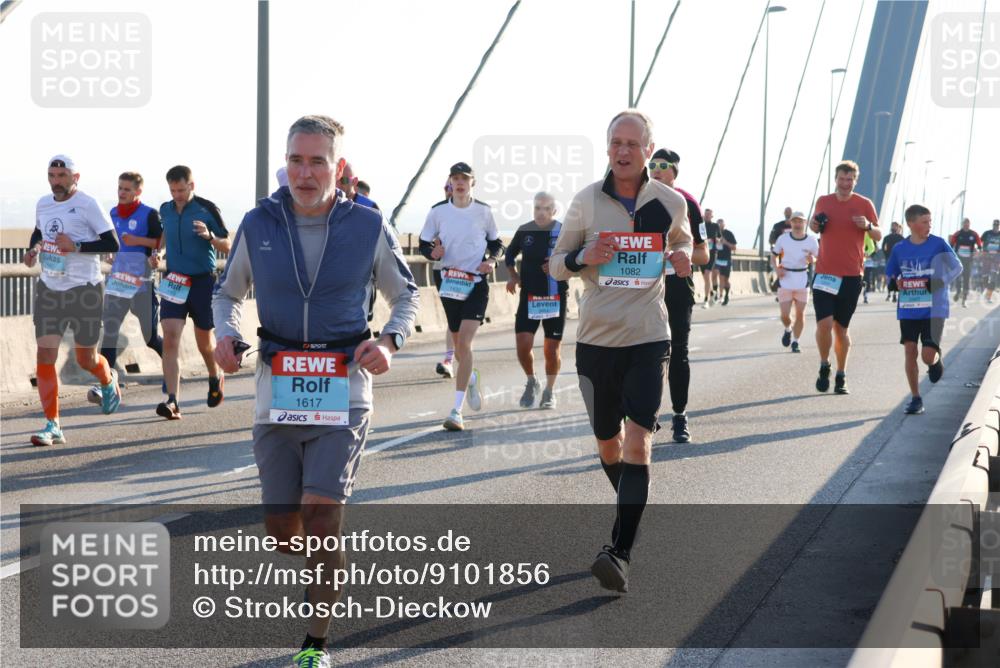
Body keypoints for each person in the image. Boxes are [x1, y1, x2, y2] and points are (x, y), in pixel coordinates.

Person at [213, 115, 418, 668]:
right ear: (286, 162)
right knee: (283, 531)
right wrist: (227, 336)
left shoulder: (368, 227)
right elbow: (226, 293)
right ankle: (328, 565)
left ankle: (315, 641)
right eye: (297, 160)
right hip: (275, 386)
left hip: (344, 387)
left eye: (318, 161)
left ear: (339, 167)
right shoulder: (257, 223)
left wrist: (391, 342)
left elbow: (407, 296)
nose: (305, 173)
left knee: (321, 513)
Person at [550, 110, 693, 593]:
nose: (624, 150)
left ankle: (621, 552)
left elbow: (691, 249)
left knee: (639, 442)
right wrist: (580, 257)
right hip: (595, 340)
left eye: (633, 143)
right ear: (607, 147)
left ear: (649, 150)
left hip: (649, 336)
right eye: (616, 142)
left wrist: (683, 258)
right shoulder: (586, 201)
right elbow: (555, 266)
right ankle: (632, 510)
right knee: (608, 444)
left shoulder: (669, 203)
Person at [24, 155, 122, 446]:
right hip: (50, 289)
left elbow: (112, 243)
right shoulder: (43, 203)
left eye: (62, 175)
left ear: (75, 178)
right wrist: (33, 249)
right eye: (52, 175)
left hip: (85, 290)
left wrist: (76, 246)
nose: (56, 181)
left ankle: (107, 380)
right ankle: (53, 424)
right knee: (45, 354)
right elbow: (39, 232)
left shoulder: (88, 204)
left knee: (85, 358)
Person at [419, 162, 503, 431]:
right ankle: (471, 378)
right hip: (448, 281)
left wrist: (491, 260)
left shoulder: (484, 211)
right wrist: (432, 253)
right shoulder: (438, 212)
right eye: (455, 178)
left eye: (464, 178)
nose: (459, 182)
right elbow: (423, 243)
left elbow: (497, 243)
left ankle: (456, 411)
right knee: (457, 344)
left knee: (464, 342)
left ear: (472, 183)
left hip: (476, 282)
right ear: (450, 182)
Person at [154, 165, 231, 419]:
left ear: (192, 186)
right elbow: (165, 233)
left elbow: (228, 245)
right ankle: (173, 401)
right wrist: (160, 252)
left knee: (204, 343)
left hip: (202, 281)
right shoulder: (165, 209)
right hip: (175, 279)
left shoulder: (207, 209)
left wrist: (209, 236)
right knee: (171, 337)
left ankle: (214, 374)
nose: (177, 195)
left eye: (181, 189)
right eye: (173, 190)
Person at [647, 148, 708, 443]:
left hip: (677, 285)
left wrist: (678, 255)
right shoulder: (636, 198)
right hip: (643, 287)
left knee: (678, 352)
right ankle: (644, 416)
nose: (656, 170)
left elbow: (703, 254)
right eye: (652, 165)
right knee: (644, 352)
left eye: (663, 166)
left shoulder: (688, 204)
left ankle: (680, 416)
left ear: (674, 172)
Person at [87, 172, 165, 403]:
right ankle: (105, 384)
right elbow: (110, 240)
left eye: (127, 189)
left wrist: (142, 244)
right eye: (120, 188)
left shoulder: (149, 214)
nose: (122, 193)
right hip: (118, 283)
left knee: (150, 338)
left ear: (137, 192)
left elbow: (162, 242)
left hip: (142, 284)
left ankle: (173, 364)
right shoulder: (111, 214)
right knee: (109, 333)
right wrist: (111, 253)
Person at [809, 160, 880, 395]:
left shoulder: (864, 204)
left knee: (841, 329)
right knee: (824, 324)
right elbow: (815, 225)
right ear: (836, 179)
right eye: (842, 178)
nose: (845, 183)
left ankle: (841, 374)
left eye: (850, 179)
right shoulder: (824, 201)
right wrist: (814, 224)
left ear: (855, 181)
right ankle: (823, 364)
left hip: (851, 275)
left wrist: (868, 225)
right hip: (825, 273)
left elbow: (878, 234)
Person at [885, 204, 962, 415]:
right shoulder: (900, 248)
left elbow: (957, 267)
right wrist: (895, 282)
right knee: (910, 350)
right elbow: (891, 273)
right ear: (911, 224)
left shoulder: (938, 244)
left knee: (927, 356)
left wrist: (939, 282)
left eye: (930, 221)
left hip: (934, 308)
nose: (930, 225)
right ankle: (916, 398)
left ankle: (935, 360)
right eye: (925, 222)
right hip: (909, 307)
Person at [505, 192, 566, 409]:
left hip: (555, 296)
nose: (541, 212)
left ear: (554, 211)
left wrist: (559, 265)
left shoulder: (563, 230)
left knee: (551, 350)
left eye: (546, 208)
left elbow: (577, 259)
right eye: (537, 208)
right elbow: (509, 254)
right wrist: (513, 275)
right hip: (529, 296)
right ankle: (532, 381)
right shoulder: (525, 230)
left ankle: (549, 391)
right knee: (523, 345)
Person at [772, 212, 818, 353]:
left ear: (805, 223)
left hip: (802, 278)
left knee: (800, 314)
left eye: (800, 222)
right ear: (791, 223)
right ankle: (788, 328)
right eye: (795, 222)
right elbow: (774, 256)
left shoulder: (811, 240)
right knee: (784, 315)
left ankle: (796, 342)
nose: (797, 225)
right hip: (785, 278)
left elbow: (818, 257)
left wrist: (813, 260)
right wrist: (777, 269)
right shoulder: (783, 239)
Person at [949, 218, 981, 308]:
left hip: (969, 261)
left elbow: (979, 245)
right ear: (962, 224)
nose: (966, 225)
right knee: (958, 277)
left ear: (969, 224)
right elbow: (950, 245)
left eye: (968, 224)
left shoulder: (974, 234)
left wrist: (978, 250)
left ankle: (964, 300)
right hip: (959, 260)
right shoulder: (958, 234)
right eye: (965, 224)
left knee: (966, 279)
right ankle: (958, 292)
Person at [699, 208, 721, 308]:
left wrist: (717, 239)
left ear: (712, 216)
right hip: (702, 253)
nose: (707, 216)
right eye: (706, 214)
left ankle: (706, 300)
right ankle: (712, 293)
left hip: (712, 254)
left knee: (707, 274)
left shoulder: (715, 226)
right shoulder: (701, 225)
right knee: (705, 278)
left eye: (709, 214)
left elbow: (720, 237)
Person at [715, 219, 737, 305]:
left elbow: (734, 247)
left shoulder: (729, 233)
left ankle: (726, 295)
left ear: (724, 224)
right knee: (716, 275)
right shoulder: (714, 233)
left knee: (725, 280)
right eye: (718, 224)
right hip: (716, 258)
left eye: (721, 223)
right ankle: (719, 295)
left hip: (726, 259)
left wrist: (726, 243)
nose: (719, 225)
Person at [881, 222, 904, 302]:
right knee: (890, 275)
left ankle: (894, 294)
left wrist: (887, 254)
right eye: (893, 226)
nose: (893, 227)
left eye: (894, 226)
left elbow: (883, 247)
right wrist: (887, 255)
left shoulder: (900, 238)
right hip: (892, 259)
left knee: (894, 275)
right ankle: (890, 293)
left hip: (896, 259)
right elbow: (883, 247)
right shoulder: (889, 237)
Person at [982, 219, 1000, 304]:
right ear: (992, 225)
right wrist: (982, 250)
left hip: (996, 258)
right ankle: (985, 288)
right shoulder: (987, 233)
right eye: (994, 225)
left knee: (993, 276)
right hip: (987, 257)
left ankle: (988, 296)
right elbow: (979, 242)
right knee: (985, 276)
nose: (995, 227)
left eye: (997, 225)